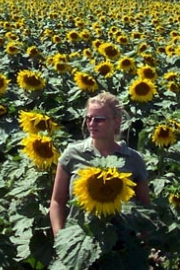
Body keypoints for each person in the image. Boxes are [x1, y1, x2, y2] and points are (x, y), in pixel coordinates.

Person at [49, 91, 150, 236]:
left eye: (99, 119)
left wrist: (146, 245)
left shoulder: (133, 159)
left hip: (122, 244)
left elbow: (144, 206)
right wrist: (60, 236)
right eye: (89, 118)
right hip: (79, 236)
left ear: (116, 121)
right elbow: (57, 201)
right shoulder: (73, 154)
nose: (91, 124)